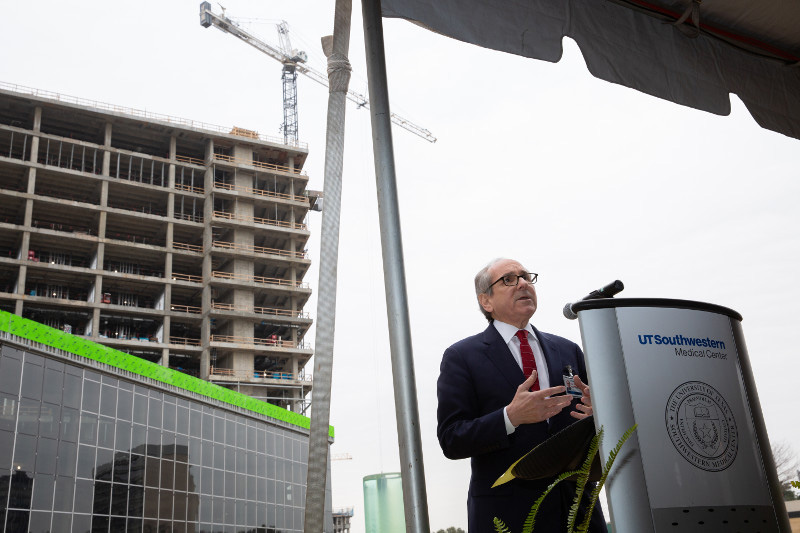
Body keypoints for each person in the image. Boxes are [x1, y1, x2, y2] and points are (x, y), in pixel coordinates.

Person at [437, 258, 607, 532]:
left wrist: (598, 414)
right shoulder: (462, 357)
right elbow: (451, 439)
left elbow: (598, 420)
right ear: (486, 301)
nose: (524, 283)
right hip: (509, 515)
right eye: (509, 279)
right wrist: (509, 417)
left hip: (578, 512)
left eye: (526, 277)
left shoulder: (568, 350)